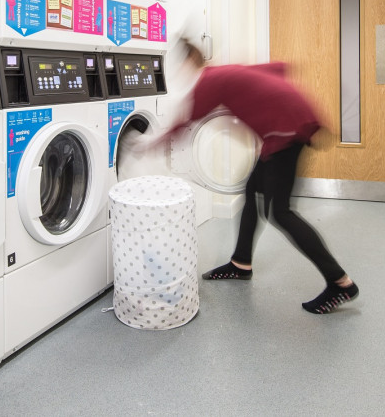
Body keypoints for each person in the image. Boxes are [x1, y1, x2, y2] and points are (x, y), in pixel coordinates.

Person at [151, 36, 358, 314]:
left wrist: (149, 145)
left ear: (190, 61)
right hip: (287, 127)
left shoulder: (209, 81)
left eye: (179, 67)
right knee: (252, 192)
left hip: (285, 133)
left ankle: (341, 283)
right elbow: (279, 68)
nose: (179, 74)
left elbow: (186, 120)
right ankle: (240, 264)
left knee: (280, 212)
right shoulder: (227, 72)